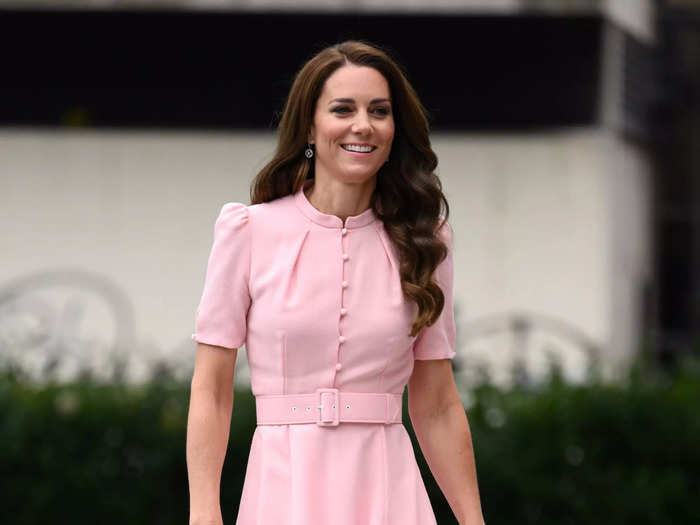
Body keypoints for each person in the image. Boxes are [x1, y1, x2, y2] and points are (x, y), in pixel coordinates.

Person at [186, 40, 486, 525]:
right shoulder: (248, 231)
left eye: (379, 111)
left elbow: (437, 404)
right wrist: (204, 513)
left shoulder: (425, 243)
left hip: (388, 492)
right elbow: (212, 390)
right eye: (343, 109)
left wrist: (473, 520)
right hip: (283, 491)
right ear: (309, 124)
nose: (362, 125)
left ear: (394, 129)